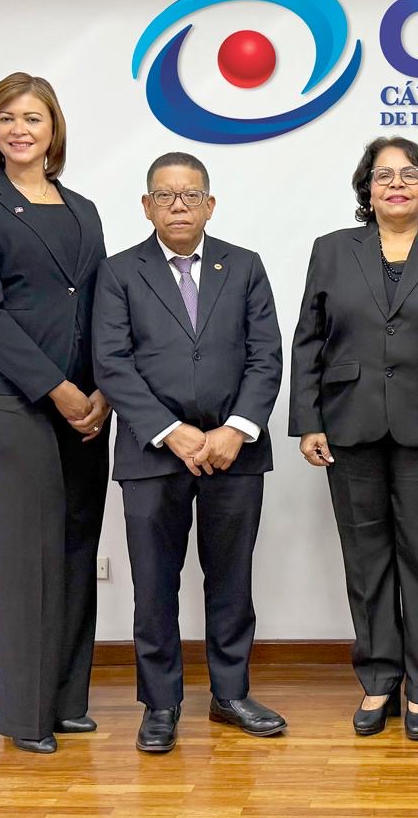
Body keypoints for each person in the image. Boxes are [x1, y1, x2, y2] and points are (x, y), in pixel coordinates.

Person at [289, 137, 418, 740]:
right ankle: (379, 680)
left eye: (410, 174)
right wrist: (308, 419)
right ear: (367, 189)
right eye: (383, 176)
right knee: (366, 563)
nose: (397, 184)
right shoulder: (332, 250)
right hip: (349, 425)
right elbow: (308, 340)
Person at [92, 152, 285, 753]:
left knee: (231, 579)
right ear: (146, 206)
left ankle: (230, 694)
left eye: (191, 195)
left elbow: (266, 355)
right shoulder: (119, 272)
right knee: (154, 585)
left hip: (235, 453)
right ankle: (160, 704)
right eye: (166, 196)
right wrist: (169, 430)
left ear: (210, 204)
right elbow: (111, 363)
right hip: (153, 454)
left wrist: (235, 430)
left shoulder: (244, 266)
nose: (179, 205)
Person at [0, 72, 111, 754]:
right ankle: (24, 714)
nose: (20, 129)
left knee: (76, 545)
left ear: (54, 130)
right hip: (9, 397)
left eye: (33, 118)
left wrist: (102, 389)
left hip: (87, 404)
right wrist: (58, 390)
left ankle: (66, 700)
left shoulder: (84, 209)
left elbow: (100, 304)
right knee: (30, 552)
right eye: (7, 118)